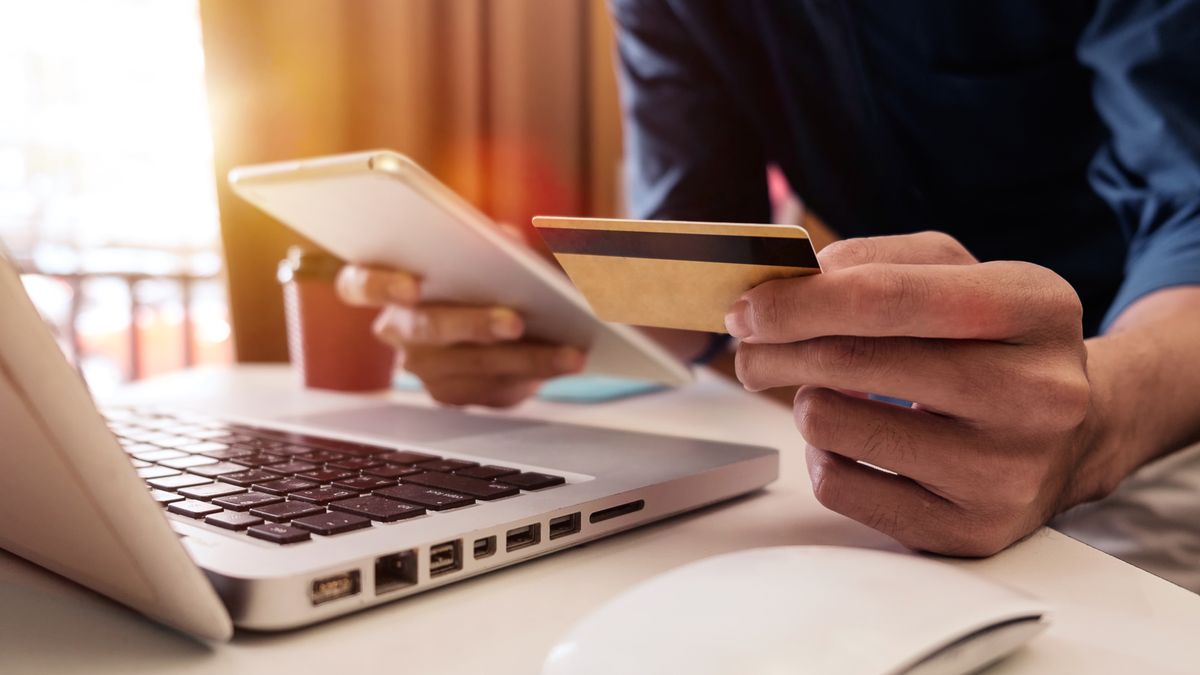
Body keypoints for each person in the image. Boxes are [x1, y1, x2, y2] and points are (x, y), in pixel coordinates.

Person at [336, 1, 1200, 560]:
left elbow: (1191, 211)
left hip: (1152, 395)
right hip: (897, 426)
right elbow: (700, 273)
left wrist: (1097, 420)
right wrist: (542, 309)